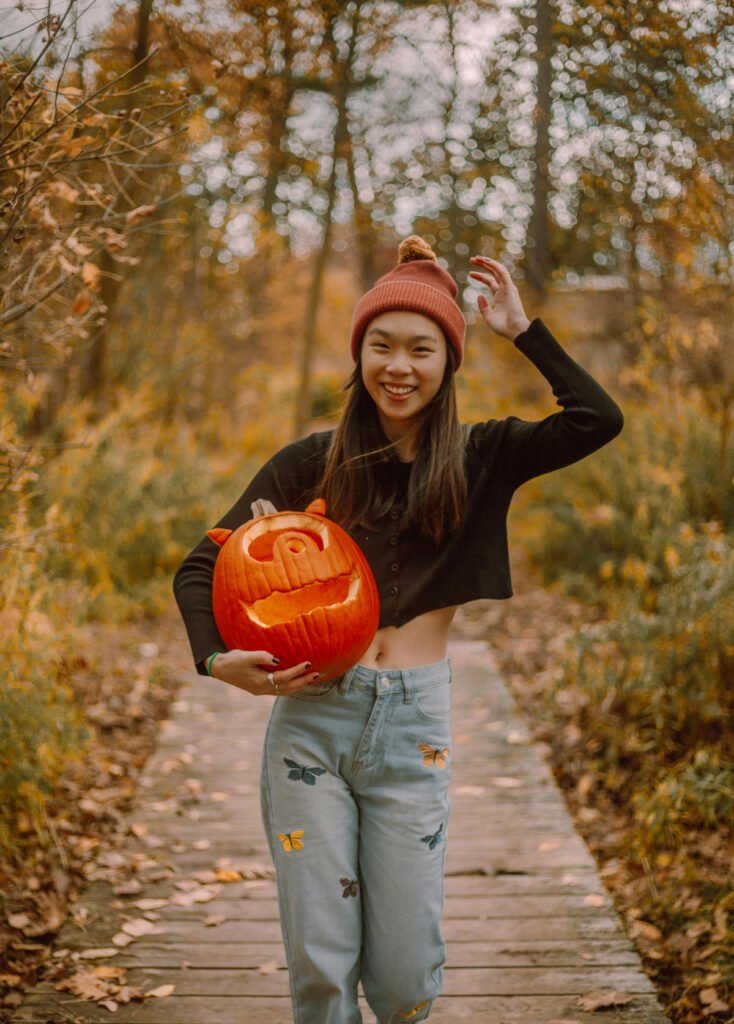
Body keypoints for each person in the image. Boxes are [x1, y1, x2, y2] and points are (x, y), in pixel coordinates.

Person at [172, 236, 624, 1024]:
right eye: (381, 345)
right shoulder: (309, 462)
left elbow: (597, 418)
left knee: (408, 971)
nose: (399, 366)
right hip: (311, 724)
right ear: (359, 354)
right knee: (320, 962)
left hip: (415, 727)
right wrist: (216, 661)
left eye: (422, 348)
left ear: (449, 362)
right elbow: (198, 568)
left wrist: (523, 332)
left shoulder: (486, 456)